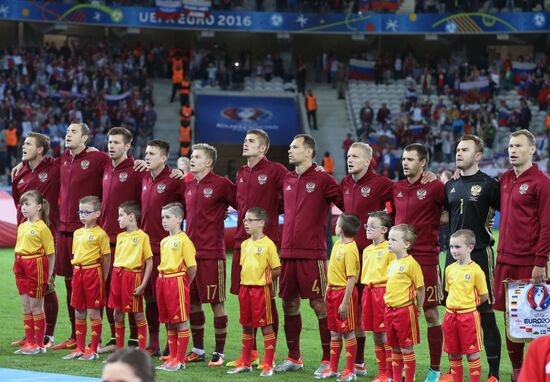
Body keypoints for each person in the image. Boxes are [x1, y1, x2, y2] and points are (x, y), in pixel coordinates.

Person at [275, 134, 344, 376]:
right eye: (290, 146)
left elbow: (347, 203)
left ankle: (327, 360)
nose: (290, 150)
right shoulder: (288, 178)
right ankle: (294, 357)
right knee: (289, 303)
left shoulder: (324, 179)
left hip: (313, 253)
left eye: (295, 147)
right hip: (287, 253)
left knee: (319, 304)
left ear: (309, 152)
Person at [441, 134, 501, 382]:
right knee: (453, 313)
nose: (458, 153)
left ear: (478, 155)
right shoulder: (450, 185)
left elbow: (508, 214)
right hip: (452, 256)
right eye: (457, 149)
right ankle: (454, 371)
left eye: (465, 149)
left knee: (484, 312)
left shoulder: (489, 184)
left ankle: (493, 373)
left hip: (479, 255)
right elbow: (445, 216)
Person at [494, 129, 550, 381]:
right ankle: (518, 372)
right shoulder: (505, 179)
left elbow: (547, 225)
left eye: (518, 146)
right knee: (511, 320)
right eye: (510, 146)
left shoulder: (542, 183)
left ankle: (541, 370)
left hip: (529, 262)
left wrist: (541, 261)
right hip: (504, 260)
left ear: (532, 149)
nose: (512, 150)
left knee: (537, 319)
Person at [228, 129, 286, 368]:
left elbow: (290, 198)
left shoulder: (277, 171)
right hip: (242, 243)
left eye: (251, 141)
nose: (245, 144)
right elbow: (237, 202)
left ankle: (271, 357)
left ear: (263, 148)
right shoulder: (241, 172)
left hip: (265, 245)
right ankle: (248, 355)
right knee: (244, 303)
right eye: (244, 140)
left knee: (267, 305)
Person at [52, 122, 110, 351]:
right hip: (66, 232)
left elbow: (120, 166)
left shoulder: (98, 159)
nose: (67, 135)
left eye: (73, 132)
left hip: (90, 233)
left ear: (85, 137)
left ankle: (103, 338)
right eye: (66, 131)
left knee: (96, 286)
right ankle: (75, 336)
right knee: (70, 284)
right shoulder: (62, 159)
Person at [340, 142, 394, 376]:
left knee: (379, 316)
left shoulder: (382, 184)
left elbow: (402, 198)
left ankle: (392, 365)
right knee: (355, 311)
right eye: (348, 155)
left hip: (375, 259)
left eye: (355, 156)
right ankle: (359, 362)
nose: (349, 159)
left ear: (367, 161)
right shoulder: (344, 183)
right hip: (350, 257)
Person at [393, 143, 445, 382]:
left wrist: (435, 223)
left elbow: (452, 209)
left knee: (431, 313)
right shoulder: (397, 187)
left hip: (426, 258)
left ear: (423, 162)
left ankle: (434, 368)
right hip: (399, 261)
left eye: (410, 159)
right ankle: (403, 369)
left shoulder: (435, 187)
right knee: (400, 312)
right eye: (404, 159)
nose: (405, 163)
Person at [184, 143, 236, 367]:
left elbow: (242, 204)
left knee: (217, 302)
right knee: (193, 303)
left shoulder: (222, 184)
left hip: (212, 253)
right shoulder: (186, 184)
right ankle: (198, 349)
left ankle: (220, 352)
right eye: (191, 156)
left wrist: (224, 212)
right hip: (189, 254)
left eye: (196, 157)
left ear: (208, 162)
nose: (191, 159)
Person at [11, 133, 60, 349]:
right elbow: (16, 201)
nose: (23, 146)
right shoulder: (18, 172)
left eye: (28, 144)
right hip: (25, 236)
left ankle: (47, 336)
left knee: (47, 287)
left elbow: (72, 158)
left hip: (44, 236)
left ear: (40, 149)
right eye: (23, 143)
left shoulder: (53, 167)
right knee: (27, 298)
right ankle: (30, 336)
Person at [100, 127, 146, 352]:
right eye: (110, 142)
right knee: (110, 292)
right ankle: (113, 338)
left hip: (129, 241)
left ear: (128, 146)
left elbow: (146, 201)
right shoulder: (106, 166)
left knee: (132, 292)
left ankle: (137, 340)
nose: (111, 146)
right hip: (106, 238)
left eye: (117, 143)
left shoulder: (137, 169)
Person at [140, 139, 185, 356]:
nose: (147, 156)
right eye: (146, 153)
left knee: (166, 300)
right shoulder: (144, 177)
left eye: (152, 153)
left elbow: (190, 203)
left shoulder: (175, 180)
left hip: (166, 249)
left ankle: (172, 344)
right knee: (149, 298)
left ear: (164, 158)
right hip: (145, 248)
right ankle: (154, 344)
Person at [227, 207, 281, 377]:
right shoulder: (244, 244)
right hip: (245, 290)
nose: (246, 223)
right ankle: (245, 362)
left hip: (261, 291)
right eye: (244, 220)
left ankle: (268, 364)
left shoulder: (268, 244)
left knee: (266, 326)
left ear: (261, 223)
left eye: (250, 220)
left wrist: (263, 280)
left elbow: (277, 268)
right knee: (246, 326)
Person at [63, 196, 110, 361]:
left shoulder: (101, 234)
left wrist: (101, 278)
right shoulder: (77, 233)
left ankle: (94, 348)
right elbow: (76, 255)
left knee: (93, 311)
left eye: (86, 212)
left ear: (97, 213)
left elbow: (106, 258)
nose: (82, 215)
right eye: (80, 211)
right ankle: (79, 348)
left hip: (93, 273)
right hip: (78, 273)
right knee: (78, 310)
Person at [316, 214, 361, 382]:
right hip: (332, 292)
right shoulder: (337, 244)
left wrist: (344, 302)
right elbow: (333, 270)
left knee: (348, 332)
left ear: (340, 229)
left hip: (344, 294)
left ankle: (350, 370)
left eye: (337, 224)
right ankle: (333, 369)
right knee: (334, 332)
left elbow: (351, 278)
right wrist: (328, 288)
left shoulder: (350, 249)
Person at [155, 202, 197, 372]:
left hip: (176, 280)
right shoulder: (165, 241)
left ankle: (180, 360)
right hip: (162, 280)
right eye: (162, 217)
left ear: (179, 219)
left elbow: (192, 267)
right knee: (169, 322)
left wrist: (184, 283)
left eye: (168, 217)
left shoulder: (184, 241)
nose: (164, 221)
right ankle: (172, 357)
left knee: (180, 321)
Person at [12, 190, 55, 355]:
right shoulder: (22, 225)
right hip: (20, 264)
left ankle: (39, 345)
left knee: (36, 307)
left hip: (35, 264)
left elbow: (51, 254)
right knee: (26, 306)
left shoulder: (43, 228)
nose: (23, 207)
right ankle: (29, 343)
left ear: (39, 207)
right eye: (22, 204)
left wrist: (49, 275)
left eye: (27, 204)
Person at [443, 229, 488, 382]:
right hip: (450, 316)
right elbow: (450, 292)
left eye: (457, 247)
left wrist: (467, 306)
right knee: (454, 353)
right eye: (451, 247)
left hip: (468, 317)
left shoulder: (476, 271)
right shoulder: (449, 269)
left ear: (470, 247)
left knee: (472, 353)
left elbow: (484, 295)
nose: (453, 250)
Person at [108, 201, 153, 351]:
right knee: (117, 314)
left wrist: (143, 285)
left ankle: (141, 351)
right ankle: (119, 350)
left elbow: (149, 261)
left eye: (121, 215)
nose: (118, 219)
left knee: (138, 314)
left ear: (132, 217)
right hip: (117, 276)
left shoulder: (142, 237)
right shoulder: (120, 236)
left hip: (132, 276)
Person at [384, 224, 425, 382]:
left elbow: (420, 289)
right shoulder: (392, 263)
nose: (389, 242)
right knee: (393, 347)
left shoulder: (412, 264)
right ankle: (395, 379)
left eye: (393, 239)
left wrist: (418, 308)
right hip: (389, 310)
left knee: (406, 348)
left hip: (405, 311)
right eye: (388, 239)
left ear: (406, 244)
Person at [361, 210, 395, 381]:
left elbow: (395, 276)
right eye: (367, 225)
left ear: (384, 230)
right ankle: (382, 371)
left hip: (383, 292)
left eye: (372, 226)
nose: (368, 229)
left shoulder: (389, 249)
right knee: (375, 333)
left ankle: (390, 373)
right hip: (368, 292)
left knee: (384, 333)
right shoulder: (367, 250)